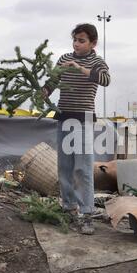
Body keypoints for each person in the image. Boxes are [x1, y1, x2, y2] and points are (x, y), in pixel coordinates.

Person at [41, 23, 111, 235]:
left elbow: (106, 80)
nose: (77, 44)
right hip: (64, 118)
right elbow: (53, 81)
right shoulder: (63, 59)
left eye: (82, 40)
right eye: (75, 40)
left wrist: (80, 68)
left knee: (82, 167)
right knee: (65, 165)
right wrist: (44, 91)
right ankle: (68, 208)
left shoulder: (97, 62)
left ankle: (86, 213)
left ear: (93, 43)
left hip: (83, 120)